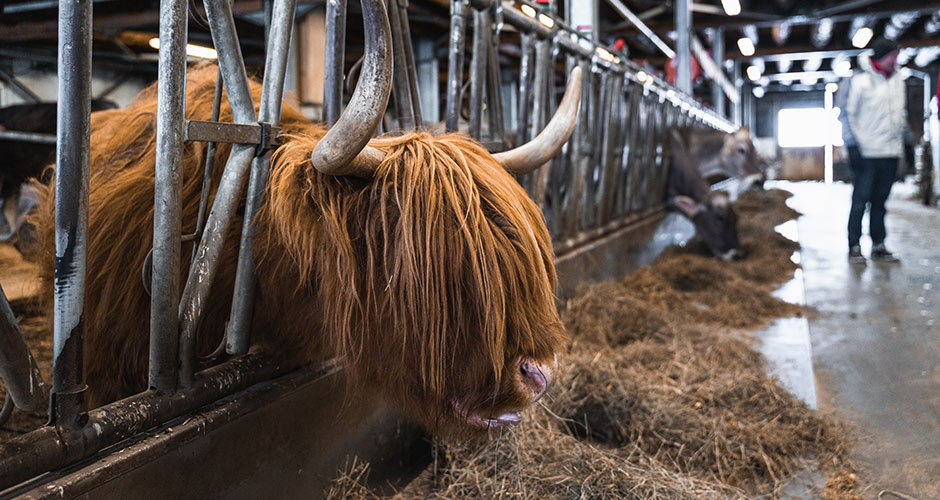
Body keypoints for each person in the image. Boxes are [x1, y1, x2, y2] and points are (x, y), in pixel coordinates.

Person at [844, 38, 906, 264]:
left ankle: (878, 245)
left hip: (890, 153)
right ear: (882, 56)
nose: (895, 61)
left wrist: (902, 147)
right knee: (860, 201)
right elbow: (848, 115)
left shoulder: (899, 81)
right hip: (866, 153)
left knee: (880, 203)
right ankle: (854, 245)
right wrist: (853, 146)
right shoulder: (860, 81)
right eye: (893, 56)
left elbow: (901, 115)